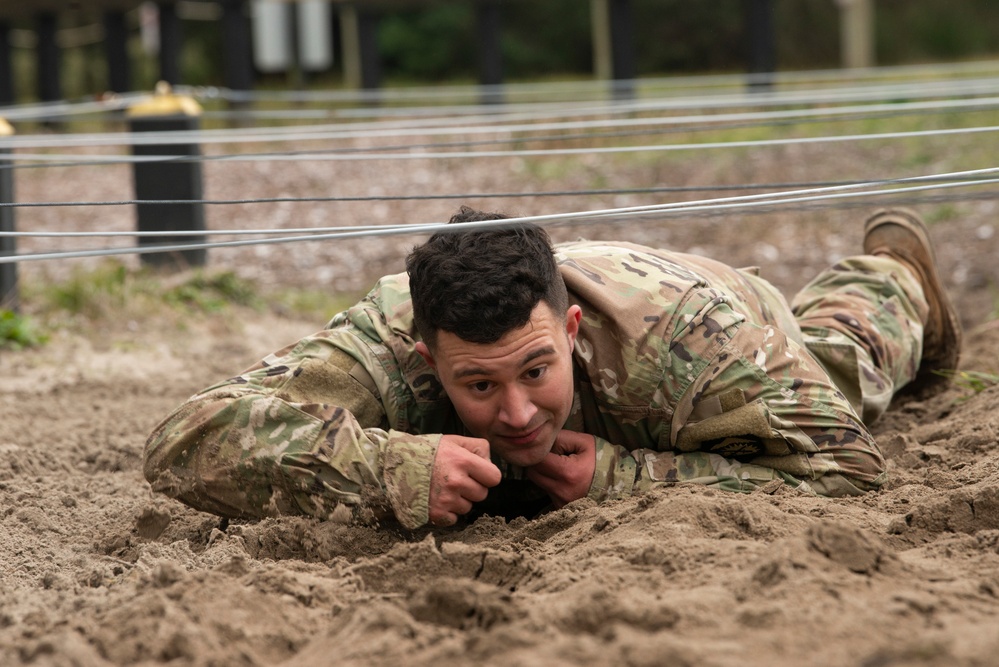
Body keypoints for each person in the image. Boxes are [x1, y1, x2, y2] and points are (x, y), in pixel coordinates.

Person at [143, 206, 961, 529]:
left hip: (719, 304)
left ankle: (888, 275)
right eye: (478, 385)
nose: (518, 413)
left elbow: (850, 467)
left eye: (535, 371)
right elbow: (186, 436)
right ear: (427, 359)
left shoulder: (694, 344)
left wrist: (630, 477)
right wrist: (387, 465)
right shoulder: (388, 338)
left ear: (568, 329)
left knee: (844, 368)